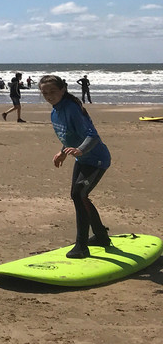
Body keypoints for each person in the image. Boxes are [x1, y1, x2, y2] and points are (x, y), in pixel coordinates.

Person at [39, 74, 111, 258]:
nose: (49, 95)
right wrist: (62, 152)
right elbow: (69, 135)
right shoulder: (55, 111)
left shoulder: (71, 108)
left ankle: (82, 246)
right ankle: (101, 236)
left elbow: (92, 136)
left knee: (79, 195)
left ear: (63, 90)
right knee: (80, 196)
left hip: (97, 159)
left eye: (53, 91)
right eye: (44, 92)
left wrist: (80, 150)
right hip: (82, 159)